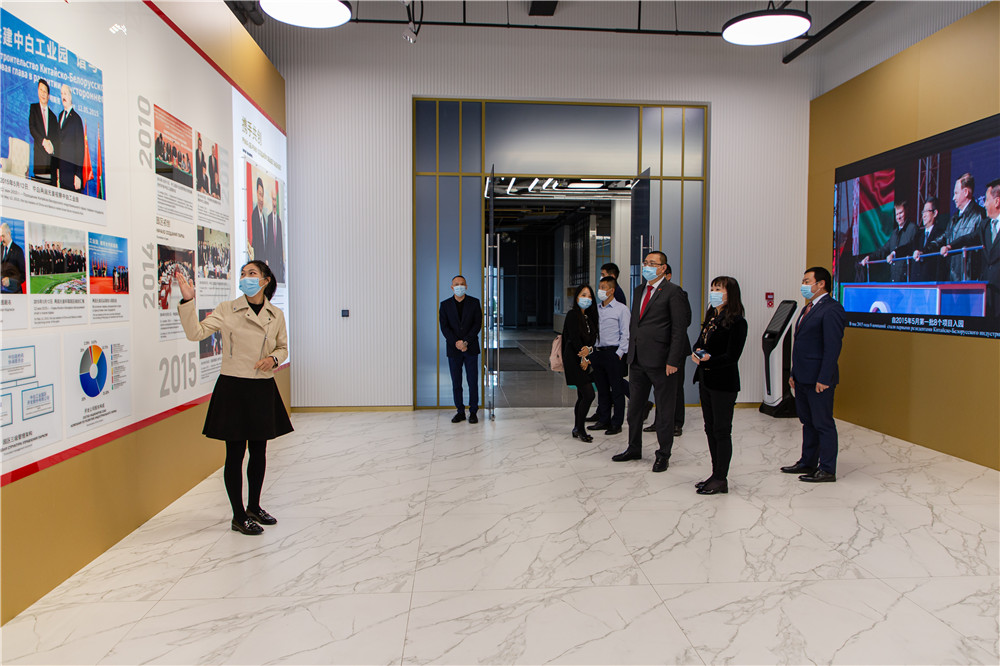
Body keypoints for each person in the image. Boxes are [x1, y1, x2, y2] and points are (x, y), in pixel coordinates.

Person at [176, 260, 291, 535]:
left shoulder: (275, 314)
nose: (245, 277)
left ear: (265, 280)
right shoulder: (227, 309)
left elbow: (283, 347)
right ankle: (238, 516)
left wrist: (273, 359)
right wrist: (188, 301)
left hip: (262, 386)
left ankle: (254, 507)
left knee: (259, 452)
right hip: (234, 387)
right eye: (242, 273)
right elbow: (195, 333)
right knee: (235, 454)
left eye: (252, 273)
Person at [613, 251, 689, 472]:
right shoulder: (639, 290)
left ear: (663, 268)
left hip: (662, 361)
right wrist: (629, 352)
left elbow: (679, 329)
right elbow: (635, 324)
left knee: (664, 411)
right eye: (645, 262)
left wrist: (673, 360)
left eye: (652, 263)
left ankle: (663, 454)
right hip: (637, 360)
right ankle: (633, 448)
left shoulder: (673, 292)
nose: (647, 266)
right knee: (634, 409)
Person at [781, 266, 846, 483]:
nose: (804, 285)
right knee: (808, 422)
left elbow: (832, 347)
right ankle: (807, 462)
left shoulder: (832, 309)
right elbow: (801, 345)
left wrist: (824, 378)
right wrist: (794, 373)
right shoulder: (807, 308)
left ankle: (827, 469)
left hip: (819, 379)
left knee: (823, 423)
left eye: (807, 281)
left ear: (821, 284)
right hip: (802, 377)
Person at [691, 276, 747, 495]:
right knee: (710, 428)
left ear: (730, 294)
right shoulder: (712, 317)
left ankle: (721, 478)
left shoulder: (737, 322)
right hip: (706, 380)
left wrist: (708, 360)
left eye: (718, 289)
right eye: (713, 288)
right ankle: (715, 473)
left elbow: (732, 356)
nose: (713, 292)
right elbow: (699, 342)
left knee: (722, 431)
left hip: (723, 383)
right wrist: (697, 352)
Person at [643, 263, 691, 436]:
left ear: (667, 275)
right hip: (657, 349)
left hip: (675, 348)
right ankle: (660, 421)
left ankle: (677, 423)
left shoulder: (678, 293)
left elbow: (685, 322)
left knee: (675, 387)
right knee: (660, 388)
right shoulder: (648, 293)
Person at [945, 179, 1000, 320]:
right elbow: (969, 238)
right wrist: (950, 246)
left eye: (987, 200)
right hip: (988, 290)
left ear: (997, 202)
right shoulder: (985, 225)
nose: (984, 204)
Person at [588, 276, 630, 436]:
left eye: (603, 287)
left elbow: (626, 334)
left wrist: (619, 353)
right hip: (598, 353)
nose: (600, 290)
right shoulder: (596, 309)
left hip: (614, 354)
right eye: (599, 287)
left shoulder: (621, 309)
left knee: (617, 390)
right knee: (602, 389)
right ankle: (603, 419)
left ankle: (616, 423)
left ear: (612, 290)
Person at [439, 275, 482, 423]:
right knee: (456, 382)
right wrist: (457, 343)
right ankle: (460, 411)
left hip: (471, 348)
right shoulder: (445, 305)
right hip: (453, 349)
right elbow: (444, 327)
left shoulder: (474, 303)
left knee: (472, 381)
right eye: (456, 284)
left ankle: (473, 412)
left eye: (462, 284)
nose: (459, 286)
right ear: (452, 287)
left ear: (466, 286)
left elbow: (477, 324)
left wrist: (465, 342)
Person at [930, 174, 987, 282]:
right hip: (952, 278)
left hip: (969, 280)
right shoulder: (954, 218)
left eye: (956, 193)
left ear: (965, 192)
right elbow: (944, 238)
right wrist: (925, 250)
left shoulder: (980, 215)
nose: (953, 198)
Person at [562, 284, 599, 442]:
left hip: (586, 359)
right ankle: (580, 428)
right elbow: (574, 339)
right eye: (583, 295)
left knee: (582, 395)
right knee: (589, 394)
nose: (587, 299)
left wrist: (588, 352)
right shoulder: (572, 315)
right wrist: (583, 358)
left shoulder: (590, 317)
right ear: (577, 297)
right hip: (573, 359)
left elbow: (592, 340)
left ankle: (577, 427)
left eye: (589, 296)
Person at [860, 201, 917, 282]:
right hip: (894, 280)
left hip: (907, 280)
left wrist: (894, 253)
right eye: (896, 214)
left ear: (906, 212)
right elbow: (884, 250)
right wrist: (870, 257)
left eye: (901, 213)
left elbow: (910, 247)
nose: (898, 217)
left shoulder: (912, 228)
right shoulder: (894, 233)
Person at [28, 78, 58, 185]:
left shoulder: (53, 117)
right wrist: (43, 141)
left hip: (51, 162)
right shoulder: (34, 108)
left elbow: (56, 138)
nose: (43, 93)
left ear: (48, 96)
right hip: (39, 160)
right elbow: (32, 128)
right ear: (38, 91)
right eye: (41, 90)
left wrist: (52, 147)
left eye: (45, 91)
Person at [56, 84, 85, 193]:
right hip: (62, 172)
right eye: (62, 94)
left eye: (66, 93)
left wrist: (78, 174)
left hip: (72, 174)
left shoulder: (77, 119)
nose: (63, 96)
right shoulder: (60, 116)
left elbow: (80, 148)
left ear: (70, 96)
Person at [911, 197, 946, 282]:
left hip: (932, 282)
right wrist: (894, 253)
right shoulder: (918, 235)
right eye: (923, 212)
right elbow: (908, 247)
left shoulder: (941, 234)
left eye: (927, 211)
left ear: (935, 213)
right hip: (917, 282)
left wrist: (922, 253)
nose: (924, 215)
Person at [266, 185, 286, 283]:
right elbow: (267, 240)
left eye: (275, 200)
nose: (274, 203)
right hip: (271, 259)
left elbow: (280, 242)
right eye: (273, 200)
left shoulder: (279, 221)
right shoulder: (268, 219)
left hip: (278, 260)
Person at [1, 223, 26, 293]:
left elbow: (23, 275)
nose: (2, 239)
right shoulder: (0, 248)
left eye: (3, 236)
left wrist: (10, 281)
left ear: (9, 234)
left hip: (14, 292)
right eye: (1, 236)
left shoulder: (18, 250)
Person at [250, 177, 267, 263]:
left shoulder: (263, 218)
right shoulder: (254, 215)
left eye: (262, 195)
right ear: (256, 194)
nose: (261, 199)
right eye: (260, 194)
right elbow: (256, 243)